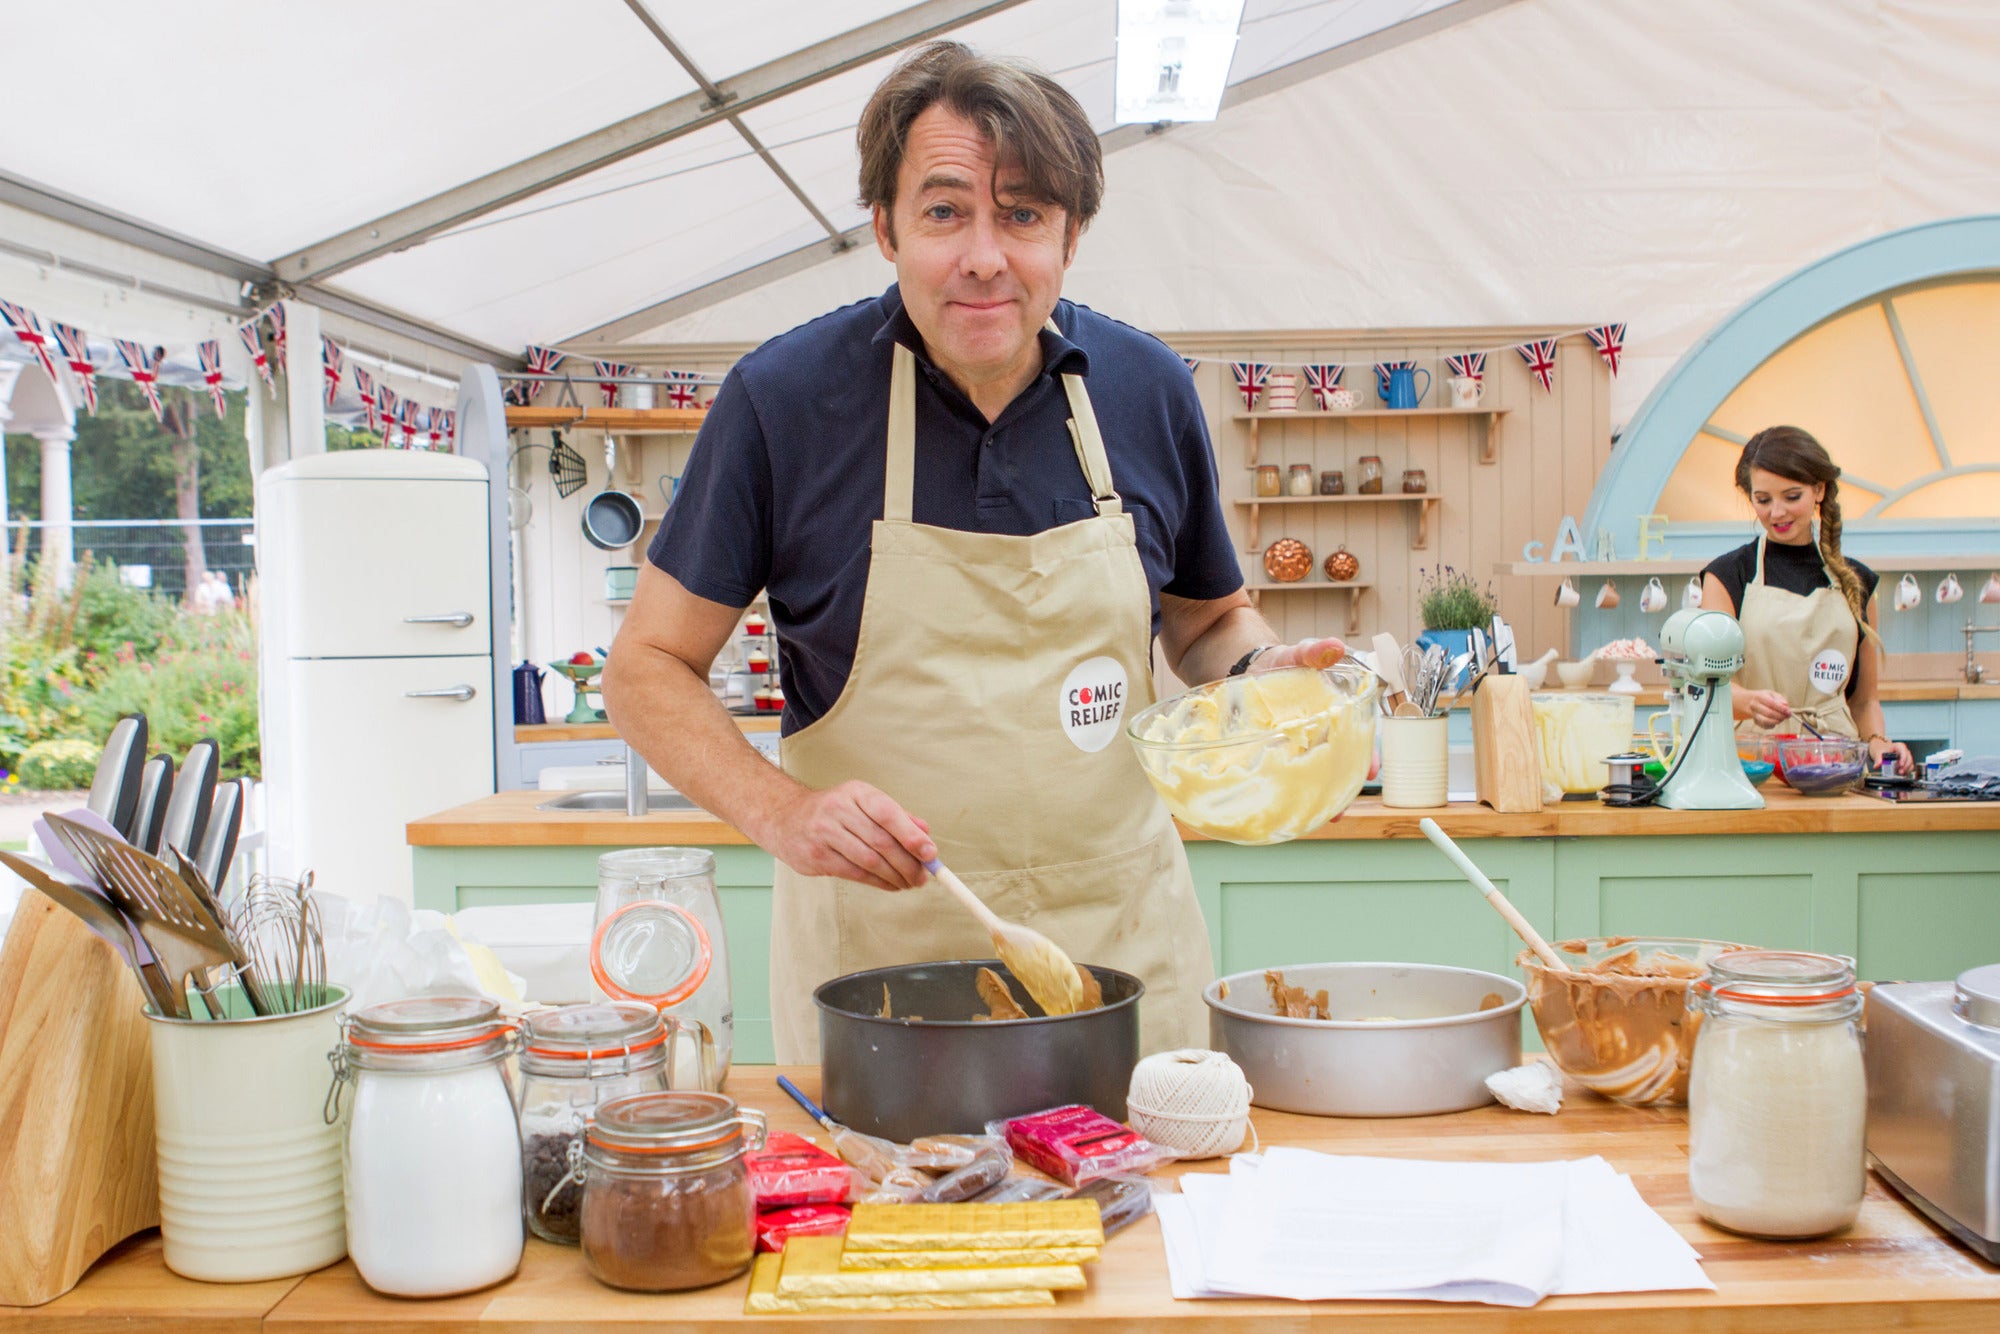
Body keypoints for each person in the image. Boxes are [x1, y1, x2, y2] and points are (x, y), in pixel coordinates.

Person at [604, 41, 1345, 1062]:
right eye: (945, 210)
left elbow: (1209, 620)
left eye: (1024, 214)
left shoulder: (1146, 389)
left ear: (1070, 236)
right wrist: (781, 811)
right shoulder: (782, 403)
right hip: (880, 987)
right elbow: (646, 665)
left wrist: (1262, 670)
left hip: (1119, 963)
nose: (984, 255)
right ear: (884, 228)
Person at [1698, 425, 1912, 774]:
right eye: (1763, 500)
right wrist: (1749, 701)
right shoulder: (1726, 577)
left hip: (1834, 766)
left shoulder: (1856, 583)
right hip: (1750, 766)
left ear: (1819, 490)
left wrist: (1878, 742)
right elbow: (1706, 688)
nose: (1777, 513)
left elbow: (1864, 701)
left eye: (1791, 497)